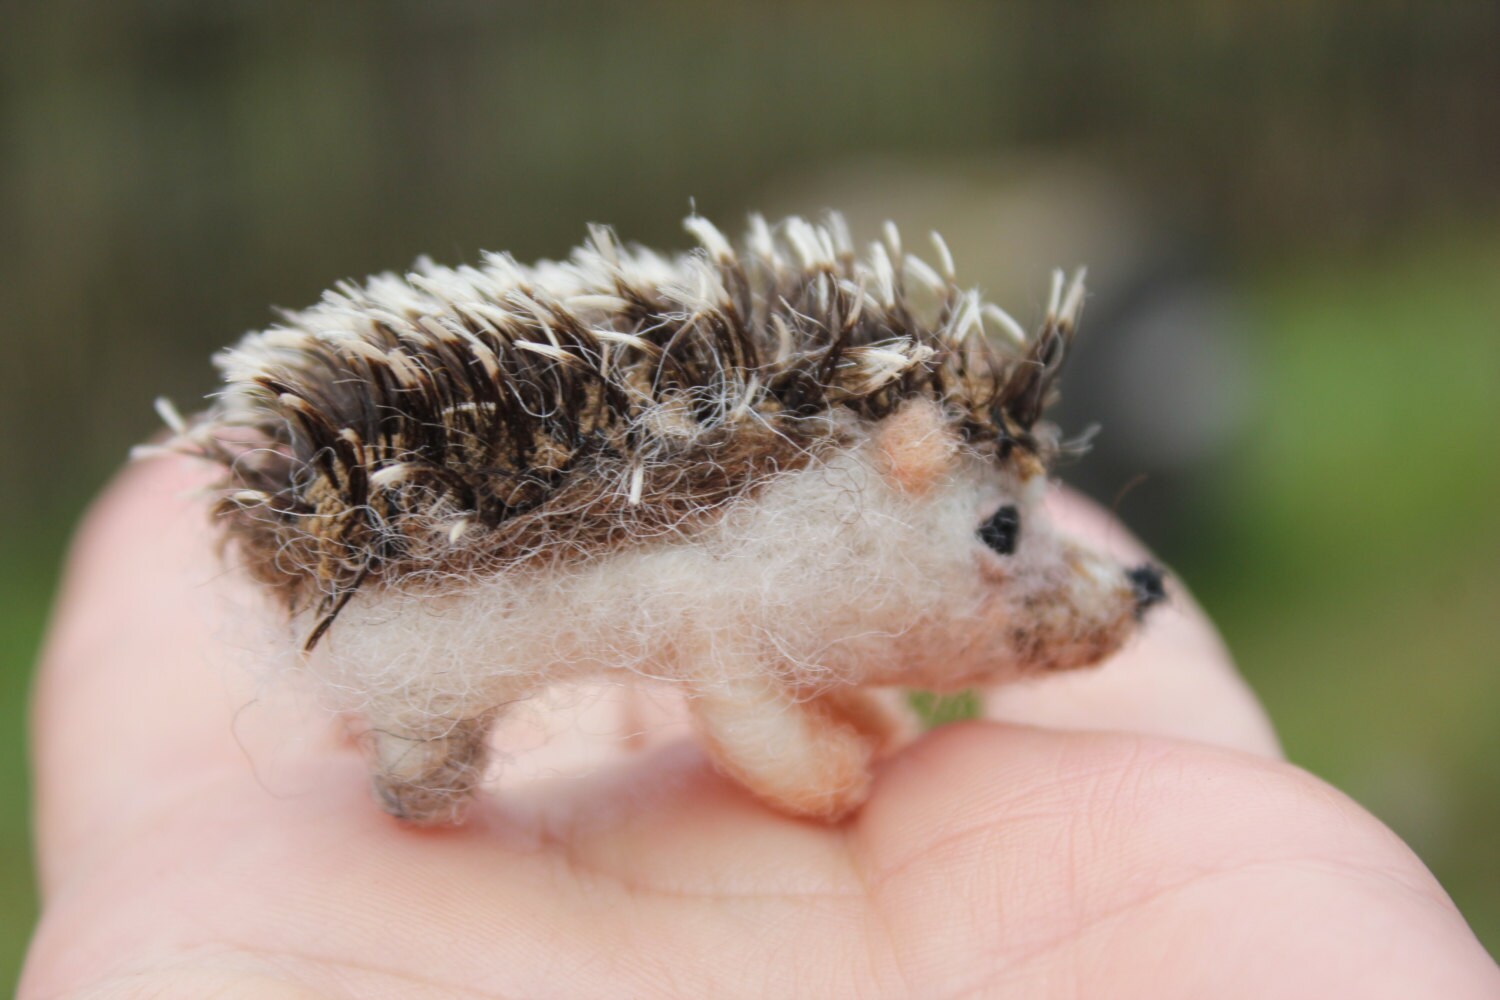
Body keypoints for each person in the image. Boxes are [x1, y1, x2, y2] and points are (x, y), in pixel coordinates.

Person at [20, 460, 1499, 998]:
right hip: (415, 639)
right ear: (910, 473)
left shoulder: (821, 536)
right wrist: (806, 769)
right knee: (424, 734)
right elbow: (732, 658)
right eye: (1000, 528)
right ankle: (414, 742)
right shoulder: (748, 570)